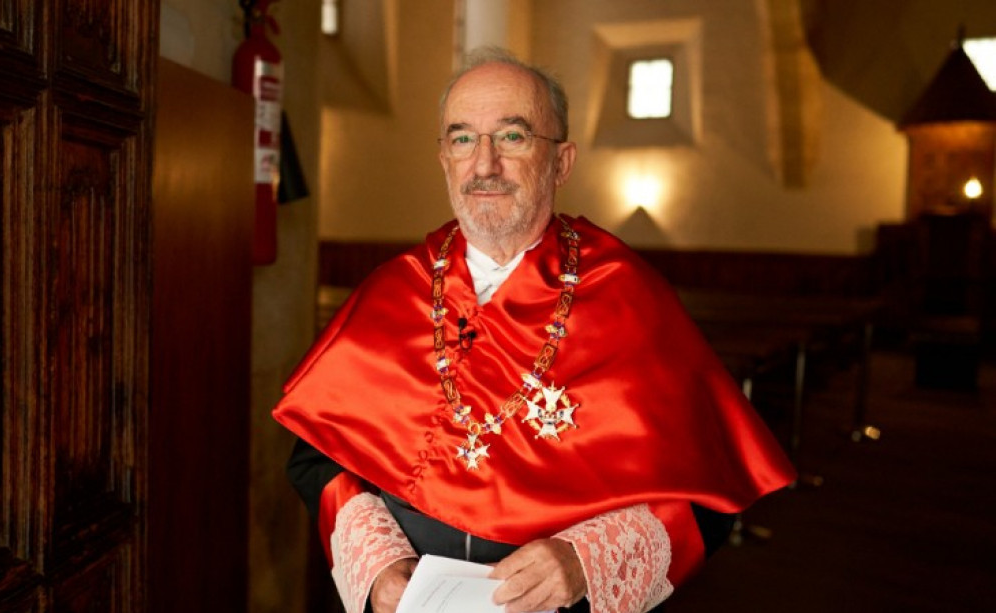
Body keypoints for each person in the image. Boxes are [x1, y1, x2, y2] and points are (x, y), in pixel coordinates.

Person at [273, 46, 795, 613]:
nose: (485, 164)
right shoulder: (391, 292)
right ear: (444, 157)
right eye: (463, 138)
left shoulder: (628, 297)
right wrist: (379, 568)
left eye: (513, 137)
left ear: (562, 162)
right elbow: (319, 460)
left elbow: (707, 496)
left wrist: (584, 560)